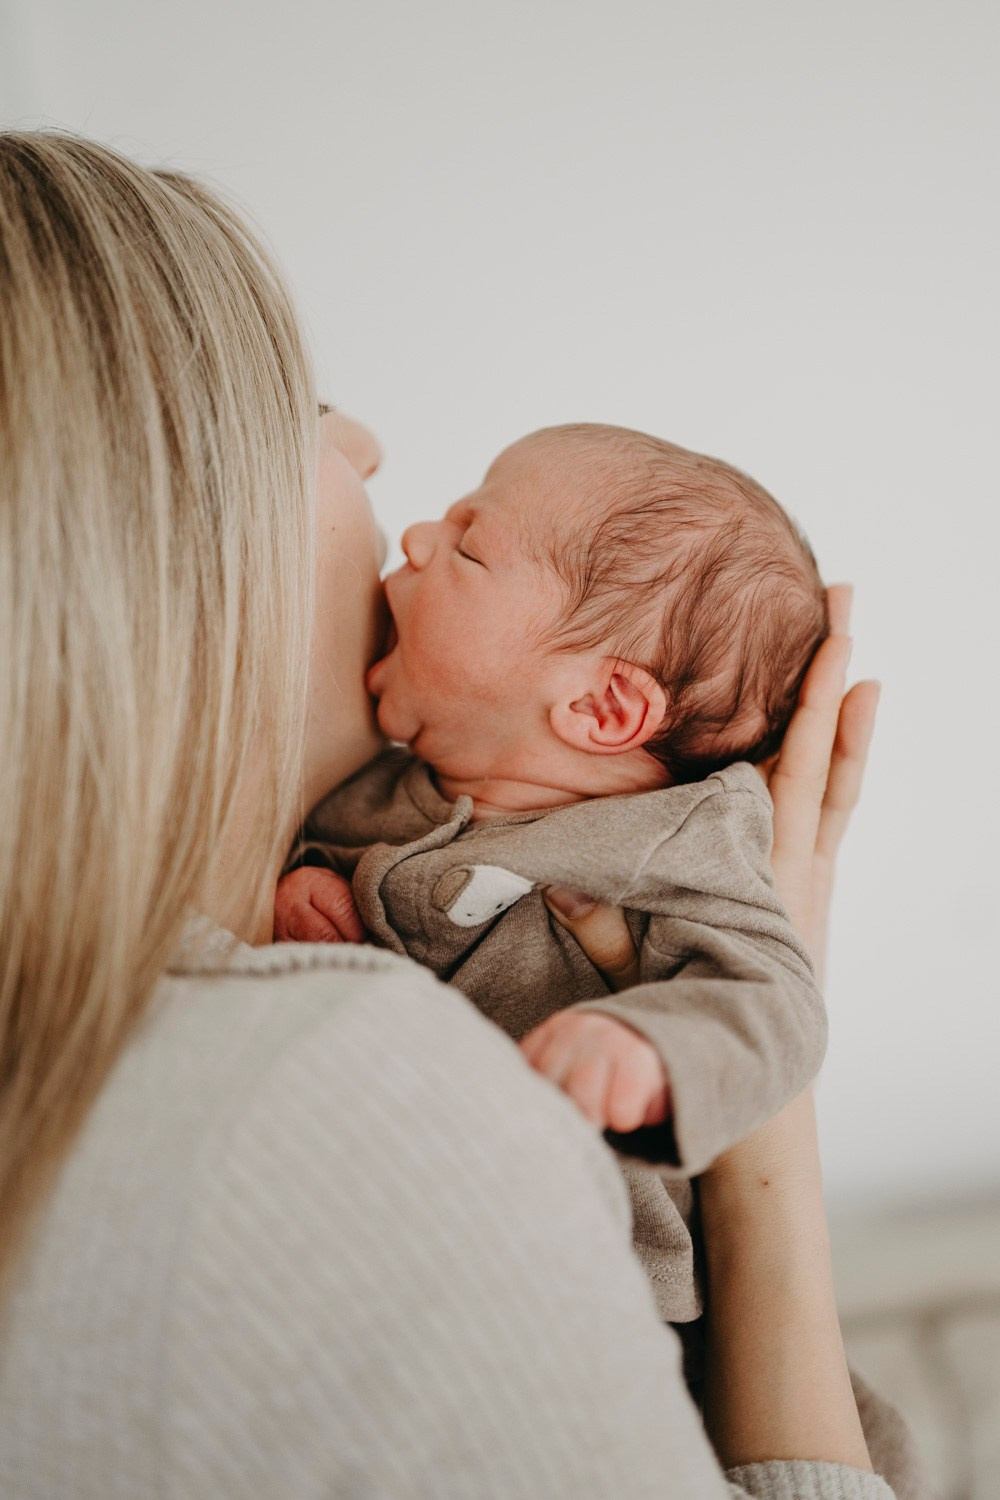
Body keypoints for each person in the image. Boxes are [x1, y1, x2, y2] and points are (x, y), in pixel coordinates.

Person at [0, 129, 916, 1498]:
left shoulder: (660, 848)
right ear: (155, 557)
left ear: (601, 712)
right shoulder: (330, 1087)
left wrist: (707, 1039)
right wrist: (769, 1163)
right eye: (301, 410)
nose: (377, 457)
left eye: (474, 544)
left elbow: (749, 1003)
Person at [273, 423, 830, 1349]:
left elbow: (779, 1003)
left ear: (601, 707)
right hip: (407, 1236)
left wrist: (649, 1052)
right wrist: (315, 893)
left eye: (468, 545)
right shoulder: (379, 788)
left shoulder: (681, 842)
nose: (413, 539)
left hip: (598, 1293)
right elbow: (345, 871)